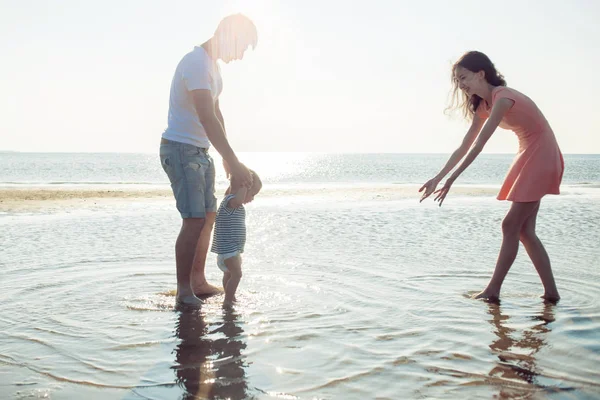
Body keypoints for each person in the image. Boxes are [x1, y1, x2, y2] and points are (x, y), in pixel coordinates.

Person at [419, 51, 563, 303]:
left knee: (510, 226)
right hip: (529, 153)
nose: (461, 85)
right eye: (457, 81)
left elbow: (480, 145)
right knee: (525, 231)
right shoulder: (483, 105)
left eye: (464, 77)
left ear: (480, 74)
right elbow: (464, 145)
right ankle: (551, 294)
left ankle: (493, 290)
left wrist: (452, 181)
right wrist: (438, 177)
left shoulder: (503, 98)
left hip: (541, 154)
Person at [159, 14, 258, 306]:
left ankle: (198, 280)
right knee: (193, 220)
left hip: (200, 150)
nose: (239, 56)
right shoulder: (196, 63)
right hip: (181, 148)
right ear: (229, 36)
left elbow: (217, 115)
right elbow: (205, 116)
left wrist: (228, 160)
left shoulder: (213, 69)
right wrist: (233, 160)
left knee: (208, 217)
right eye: (241, 48)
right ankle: (183, 291)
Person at [211, 169, 262, 306]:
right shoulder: (232, 202)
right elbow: (239, 198)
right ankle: (228, 301)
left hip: (227, 252)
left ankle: (229, 297)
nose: (252, 198)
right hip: (229, 251)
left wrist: (241, 179)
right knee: (237, 275)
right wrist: (245, 184)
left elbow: (233, 190)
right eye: (252, 194)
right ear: (242, 189)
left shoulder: (228, 198)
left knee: (228, 275)